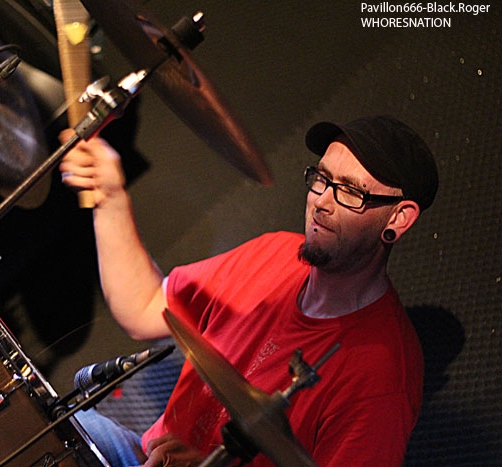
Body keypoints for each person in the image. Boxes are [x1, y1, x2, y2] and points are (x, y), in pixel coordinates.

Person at [58, 115, 438, 467]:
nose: (321, 201)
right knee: (55, 420)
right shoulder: (275, 253)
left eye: (351, 192)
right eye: (322, 179)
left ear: (398, 217)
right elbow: (143, 307)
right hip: (145, 456)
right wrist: (109, 195)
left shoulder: (384, 374)